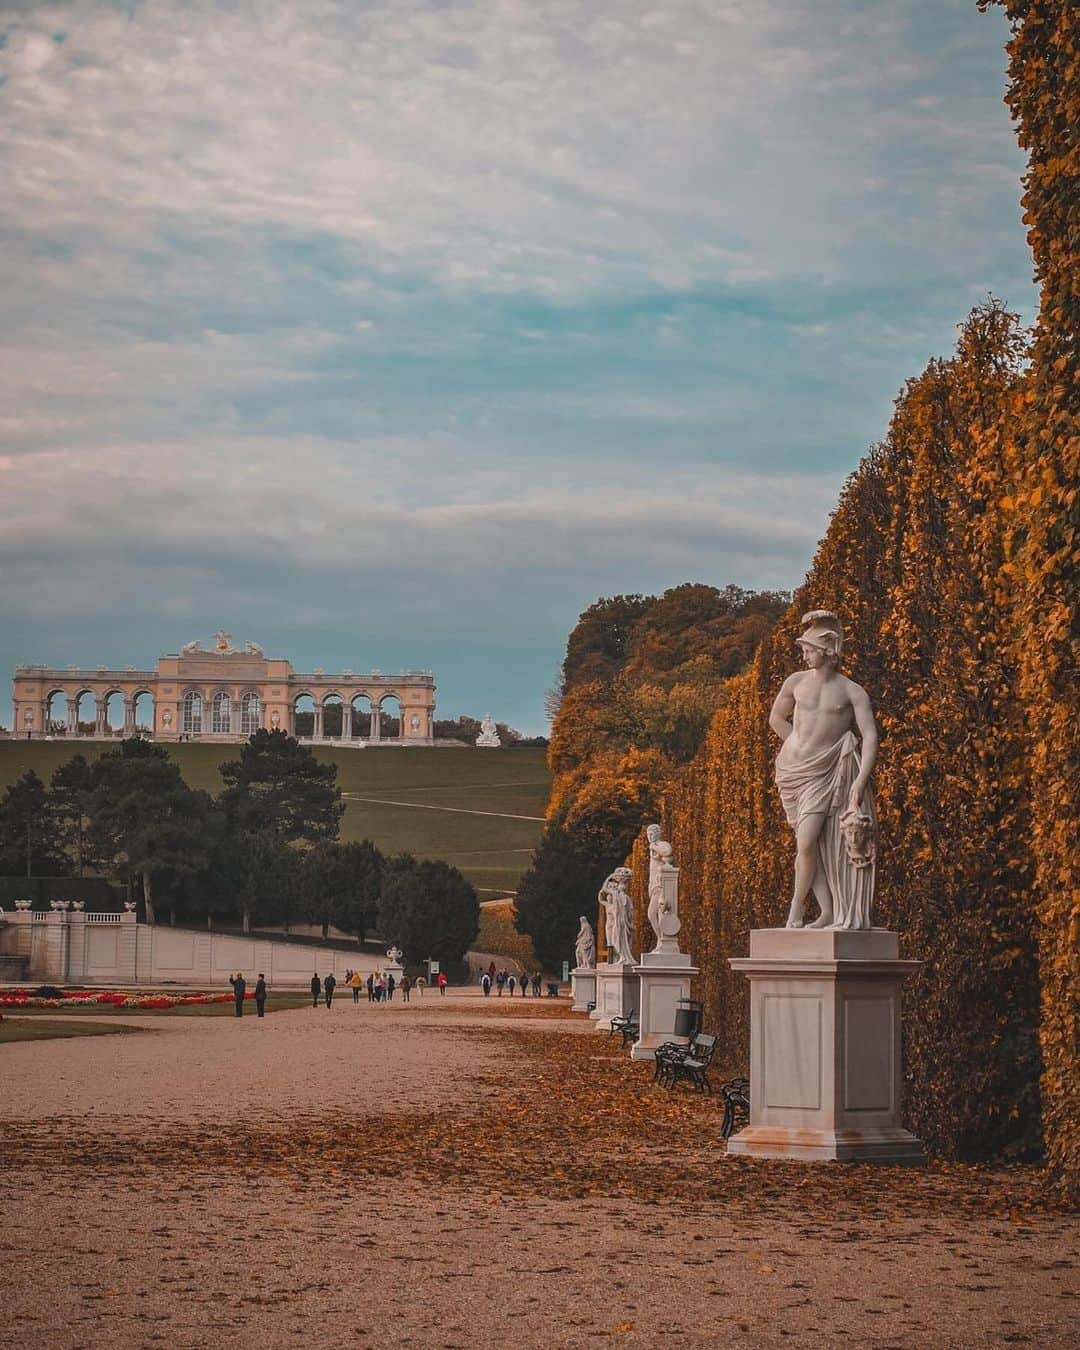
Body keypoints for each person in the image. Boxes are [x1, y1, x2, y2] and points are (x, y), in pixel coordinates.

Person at [769, 610, 879, 930]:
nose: (804, 655)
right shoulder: (796, 683)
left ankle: (795, 910)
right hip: (791, 771)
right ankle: (827, 911)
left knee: (806, 840)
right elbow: (776, 718)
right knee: (810, 844)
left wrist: (860, 780)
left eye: (809, 650)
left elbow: (869, 736)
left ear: (829, 652)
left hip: (825, 771)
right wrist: (796, 744)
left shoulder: (851, 691)